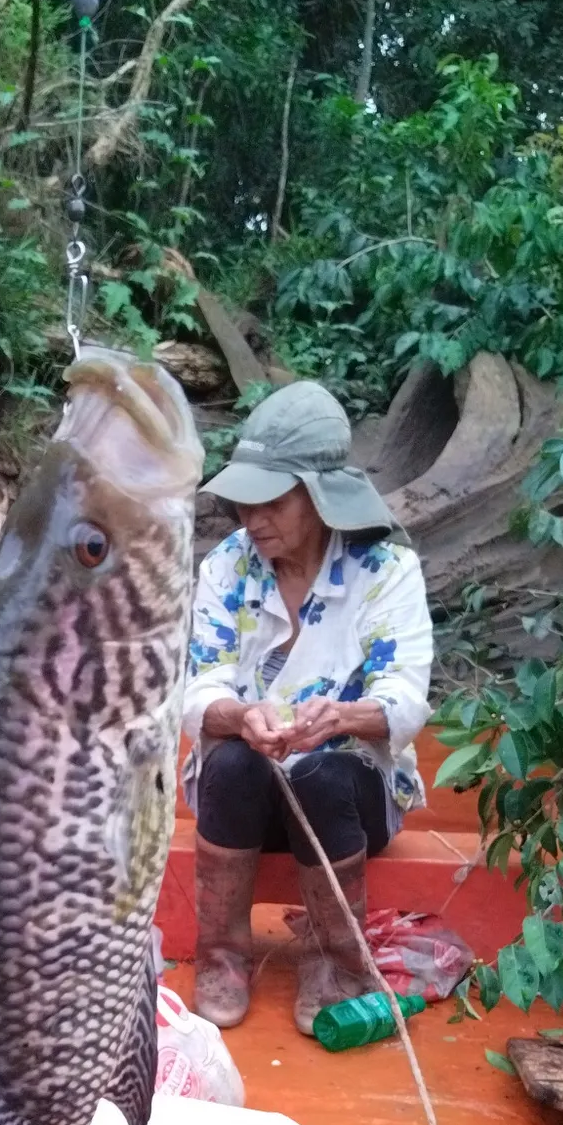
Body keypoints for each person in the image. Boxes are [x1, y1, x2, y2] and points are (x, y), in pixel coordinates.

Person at [180, 380, 433, 1036]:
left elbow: (405, 700)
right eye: (243, 503)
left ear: (320, 499)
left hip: (347, 807)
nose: (253, 520)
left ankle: (335, 960)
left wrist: (340, 719)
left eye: (272, 501)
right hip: (245, 806)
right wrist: (240, 718)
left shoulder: (386, 568)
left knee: (324, 771)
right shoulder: (227, 570)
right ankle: (223, 954)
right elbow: (198, 688)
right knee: (232, 763)